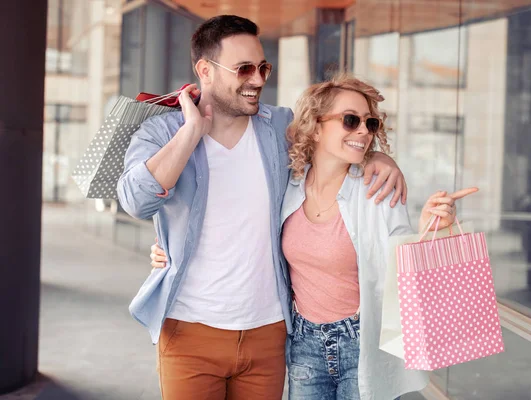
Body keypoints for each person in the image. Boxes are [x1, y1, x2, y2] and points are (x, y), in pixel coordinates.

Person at [118, 15, 407, 400]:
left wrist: (379, 158)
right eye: (244, 69)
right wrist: (190, 133)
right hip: (189, 331)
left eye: (263, 67)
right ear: (205, 69)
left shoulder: (279, 126)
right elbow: (137, 201)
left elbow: (335, 139)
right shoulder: (161, 132)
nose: (257, 79)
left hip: (268, 335)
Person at [151, 74, 478, 399]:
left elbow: (400, 260)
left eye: (370, 123)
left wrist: (430, 226)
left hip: (361, 342)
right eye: (350, 120)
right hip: (304, 342)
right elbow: (237, 222)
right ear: (317, 127)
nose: (363, 131)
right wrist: (171, 249)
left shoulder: (376, 190)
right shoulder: (288, 185)